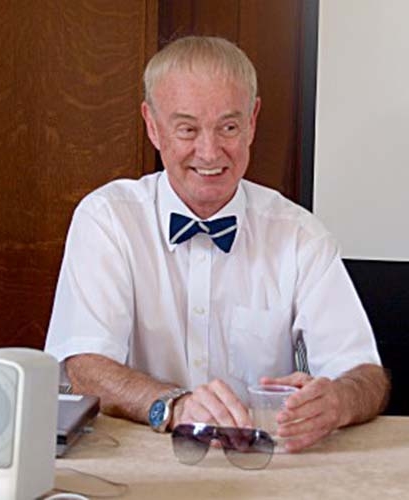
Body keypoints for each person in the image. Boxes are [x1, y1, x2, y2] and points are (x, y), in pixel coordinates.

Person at [45, 36, 390, 452]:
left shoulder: (300, 234)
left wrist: (338, 401)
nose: (209, 153)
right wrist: (173, 405)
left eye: (228, 127)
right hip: (134, 463)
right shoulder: (108, 219)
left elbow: (366, 375)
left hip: (262, 466)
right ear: (152, 125)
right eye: (187, 129)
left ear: (252, 121)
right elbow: (84, 367)